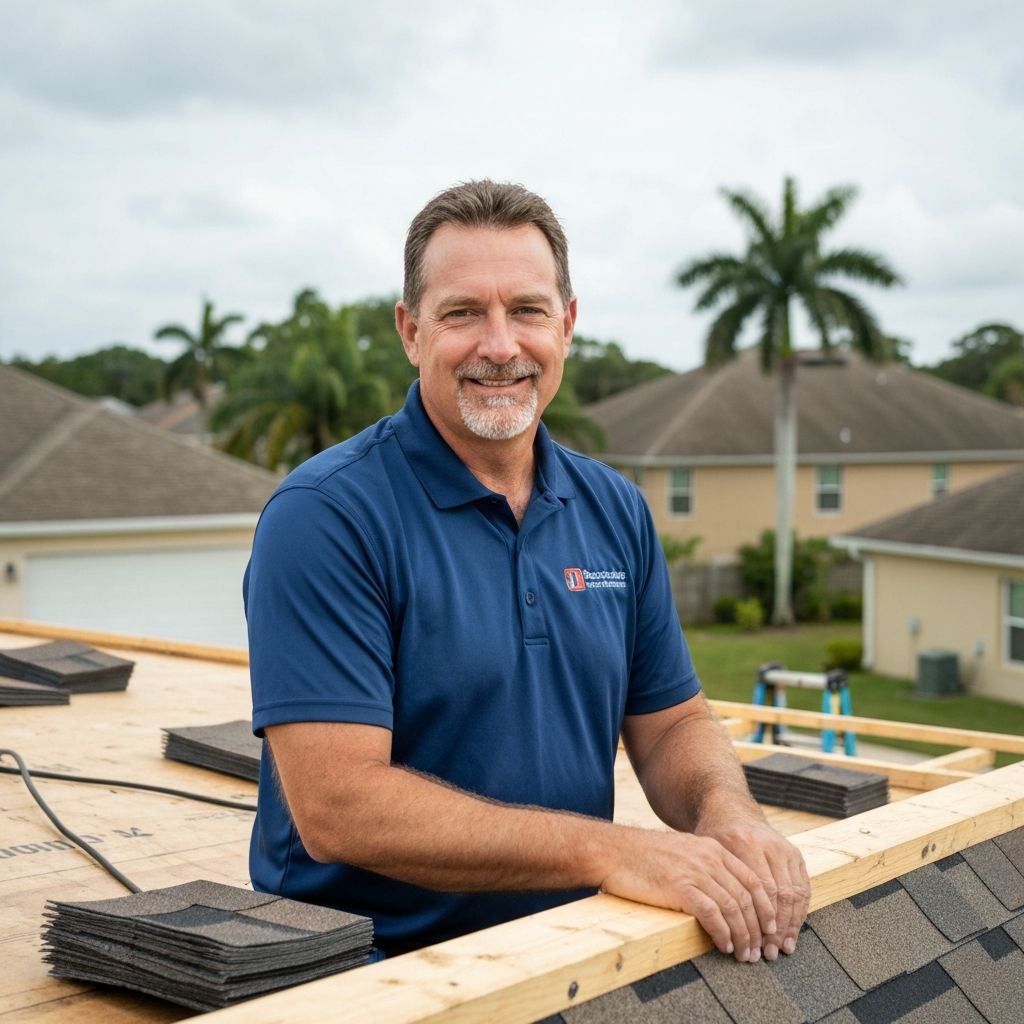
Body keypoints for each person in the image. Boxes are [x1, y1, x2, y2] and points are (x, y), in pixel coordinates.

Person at [244, 179, 810, 961]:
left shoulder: (613, 509)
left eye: (529, 310)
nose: (500, 345)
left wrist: (729, 815)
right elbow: (342, 807)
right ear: (411, 331)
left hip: (573, 950)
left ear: (568, 327)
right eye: (463, 312)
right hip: (367, 970)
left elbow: (671, 723)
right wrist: (612, 850)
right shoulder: (326, 517)